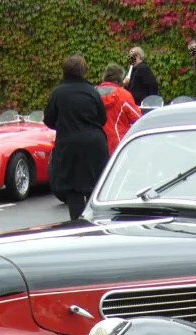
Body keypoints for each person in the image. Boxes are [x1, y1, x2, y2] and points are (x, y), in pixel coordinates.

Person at [44, 54, 109, 221]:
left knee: (74, 189)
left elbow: (49, 119)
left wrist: (65, 124)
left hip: (70, 143)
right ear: (84, 71)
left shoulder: (58, 93)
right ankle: (97, 222)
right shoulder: (92, 92)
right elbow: (102, 119)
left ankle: (78, 226)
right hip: (95, 144)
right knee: (96, 186)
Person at [97, 64, 142, 154]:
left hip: (96, 144)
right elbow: (137, 118)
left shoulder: (92, 93)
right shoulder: (124, 95)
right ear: (120, 79)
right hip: (118, 145)